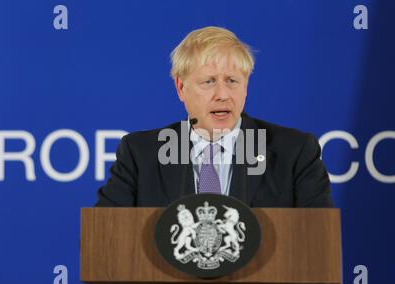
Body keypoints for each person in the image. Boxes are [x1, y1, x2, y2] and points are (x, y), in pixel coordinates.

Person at [95, 26, 333, 209]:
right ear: (180, 88)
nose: (223, 95)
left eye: (232, 81)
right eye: (209, 82)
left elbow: (317, 243)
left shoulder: (294, 152)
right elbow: (106, 240)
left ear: (246, 86)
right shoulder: (140, 154)